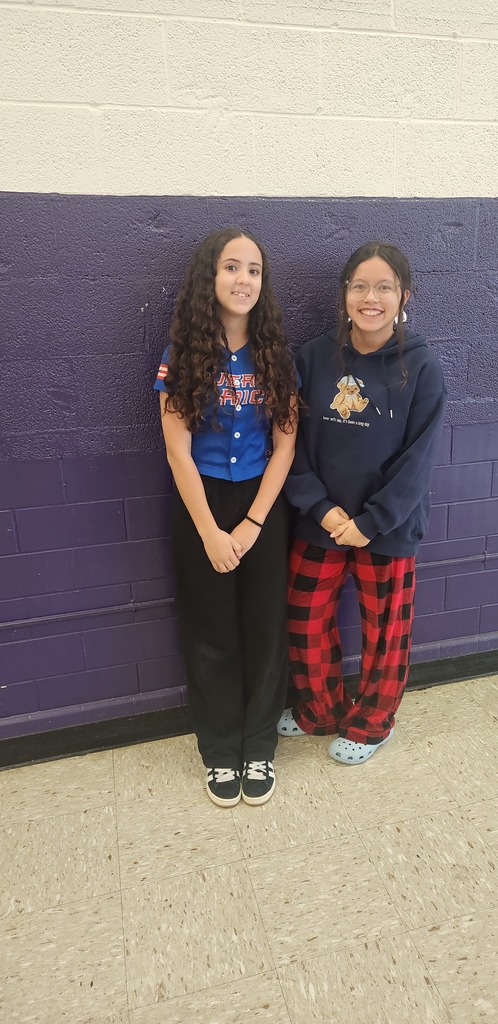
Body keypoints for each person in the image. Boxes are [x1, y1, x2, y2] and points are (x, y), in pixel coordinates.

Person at [279, 241, 446, 764]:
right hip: (319, 521)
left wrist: (371, 522)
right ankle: (319, 710)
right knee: (305, 621)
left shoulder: (422, 366)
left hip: (387, 528)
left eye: (383, 287)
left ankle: (373, 722)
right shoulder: (310, 357)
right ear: (344, 294)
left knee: (384, 632)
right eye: (359, 286)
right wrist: (321, 508)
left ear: (403, 295)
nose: (369, 297)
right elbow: (289, 442)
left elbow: (417, 460)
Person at [155, 228, 298, 806]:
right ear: (209, 279)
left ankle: (260, 746)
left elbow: (285, 446)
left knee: (265, 629)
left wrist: (253, 524)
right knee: (211, 631)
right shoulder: (179, 356)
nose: (244, 280)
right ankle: (219, 752)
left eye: (254, 271)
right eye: (232, 268)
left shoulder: (276, 356)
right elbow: (176, 450)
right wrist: (211, 530)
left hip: (261, 504)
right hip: (202, 504)